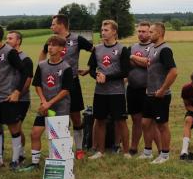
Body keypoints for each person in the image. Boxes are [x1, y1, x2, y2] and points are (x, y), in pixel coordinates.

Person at [39, 14, 93, 159]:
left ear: (61, 25)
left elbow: (95, 51)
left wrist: (90, 69)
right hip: (54, 86)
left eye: (53, 24)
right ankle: (60, 150)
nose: (51, 27)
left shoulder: (77, 39)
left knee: (76, 118)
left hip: (72, 83)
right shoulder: (52, 41)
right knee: (56, 117)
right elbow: (43, 53)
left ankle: (79, 149)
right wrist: (42, 69)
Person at [20, 35, 73, 171]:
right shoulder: (42, 65)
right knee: (35, 133)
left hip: (59, 107)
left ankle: (62, 165)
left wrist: (50, 103)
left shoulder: (66, 67)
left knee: (57, 137)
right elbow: (37, 85)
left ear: (61, 48)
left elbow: (66, 90)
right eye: (49, 44)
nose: (50, 47)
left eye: (54, 45)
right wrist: (44, 102)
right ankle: (35, 164)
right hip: (45, 106)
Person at [0, 24, 27, 170]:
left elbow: (24, 72)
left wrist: (17, 92)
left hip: (7, 98)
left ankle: (15, 160)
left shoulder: (9, 52)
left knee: (14, 128)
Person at [87, 20, 131, 159]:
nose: (103, 32)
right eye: (102, 30)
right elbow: (91, 69)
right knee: (100, 120)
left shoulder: (122, 49)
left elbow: (125, 72)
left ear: (114, 32)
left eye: (106, 30)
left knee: (121, 121)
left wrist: (107, 77)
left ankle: (126, 152)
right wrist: (97, 76)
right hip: (100, 92)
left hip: (117, 92)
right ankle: (100, 151)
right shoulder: (97, 49)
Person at [140, 22, 177, 164]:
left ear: (160, 33)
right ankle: (148, 152)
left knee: (162, 125)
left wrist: (162, 89)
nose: (148, 34)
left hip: (161, 95)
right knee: (145, 123)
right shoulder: (152, 48)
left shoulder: (165, 50)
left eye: (151, 32)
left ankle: (165, 155)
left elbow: (173, 72)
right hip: (149, 94)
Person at [127, 21, 158, 155]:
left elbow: (149, 63)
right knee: (136, 120)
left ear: (149, 33)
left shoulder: (153, 47)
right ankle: (133, 148)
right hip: (132, 88)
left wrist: (133, 57)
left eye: (144, 31)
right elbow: (128, 64)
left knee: (150, 122)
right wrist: (139, 61)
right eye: (139, 31)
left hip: (147, 89)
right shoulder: (133, 46)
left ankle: (159, 150)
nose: (141, 34)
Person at [6, 30, 33, 164]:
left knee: (17, 127)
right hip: (6, 97)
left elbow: (27, 82)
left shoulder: (26, 59)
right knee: (13, 127)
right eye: (6, 38)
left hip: (21, 99)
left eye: (10, 38)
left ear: (18, 41)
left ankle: (19, 155)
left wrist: (17, 94)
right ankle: (19, 153)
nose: (7, 41)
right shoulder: (5, 56)